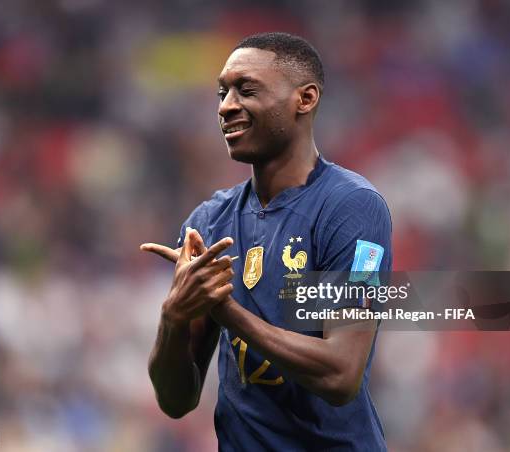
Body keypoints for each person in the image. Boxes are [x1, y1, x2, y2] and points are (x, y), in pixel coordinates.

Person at [141, 32, 392, 451]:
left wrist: (226, 311)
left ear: (305, 99)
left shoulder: (352, 208)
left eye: (247, 89)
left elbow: (341, 374)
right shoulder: (209, 223)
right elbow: (176, 400)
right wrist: (174, 316)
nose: (225, 106)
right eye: (222, 92)